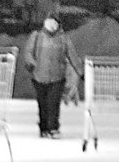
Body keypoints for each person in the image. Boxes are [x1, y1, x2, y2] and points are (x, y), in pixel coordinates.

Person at [23, 10, 82, 139]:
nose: (52, 26)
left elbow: (73, 56)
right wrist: (30, 63)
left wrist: (80, 71)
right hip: (39, 76)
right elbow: (28, 52)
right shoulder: (37, 36)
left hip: (57, 77)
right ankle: (43, 127)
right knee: (43, 104)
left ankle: (53, 128)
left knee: (53, 103)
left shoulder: (63, 39)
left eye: (54, 23)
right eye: (49, 22)